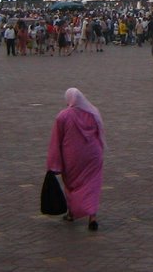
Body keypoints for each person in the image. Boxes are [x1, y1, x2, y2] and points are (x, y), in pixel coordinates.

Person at [46, 88, 105, 231]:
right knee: (93, 184)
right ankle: (92, 216)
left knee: (72, 185)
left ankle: (72, 213)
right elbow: (100, 133)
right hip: (93, 155)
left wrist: (53, 164)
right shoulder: (93, 112)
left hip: (72, 156)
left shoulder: (63, 116)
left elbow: (56, 140)